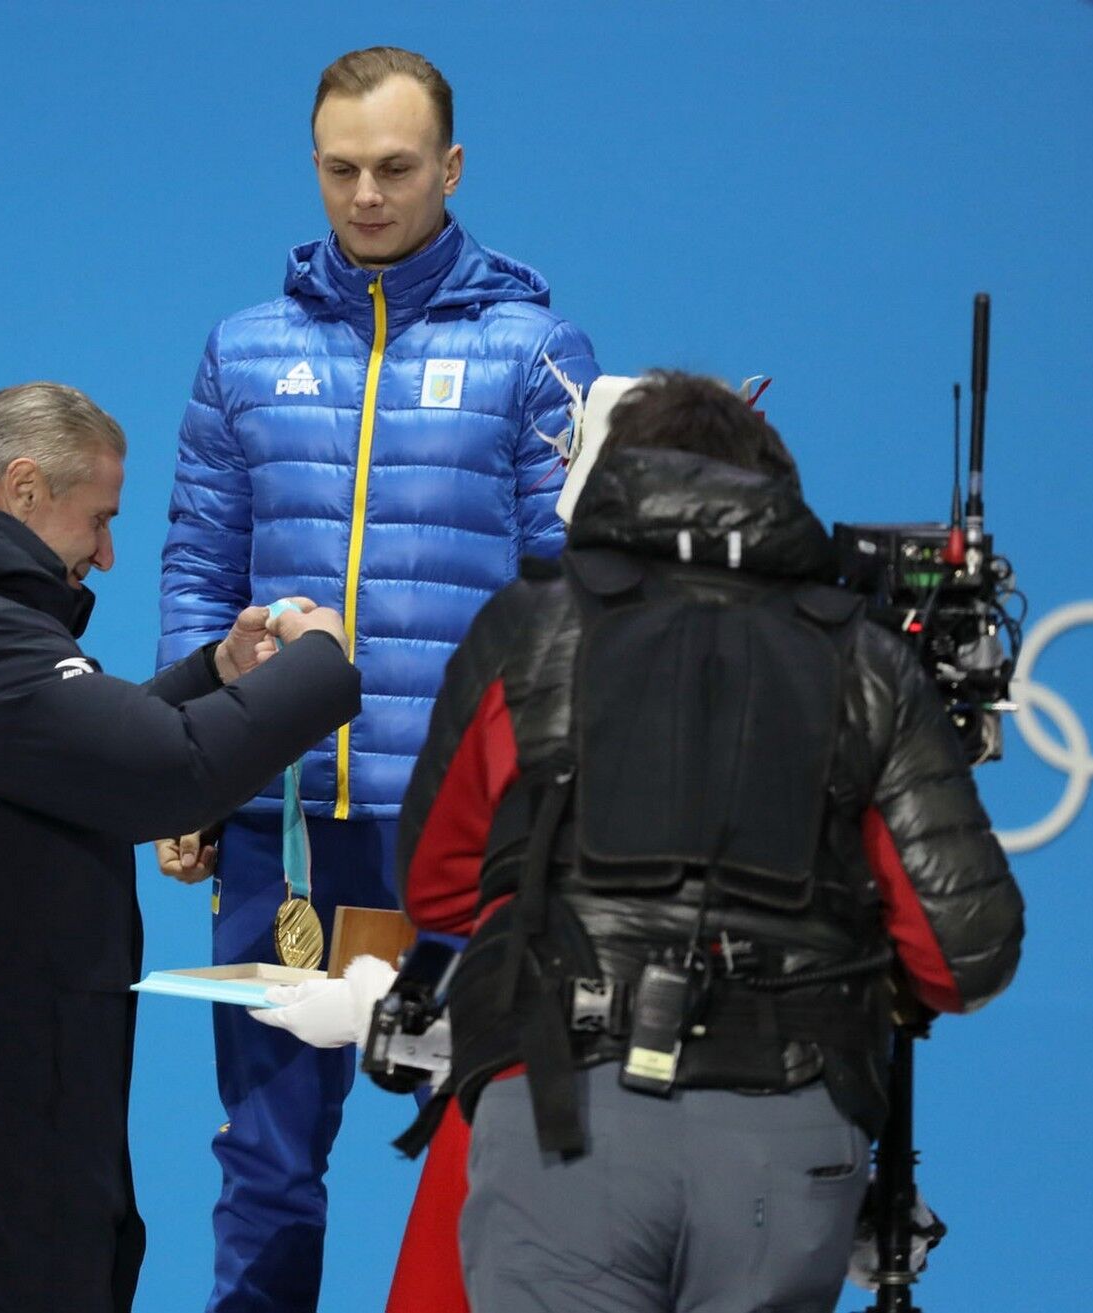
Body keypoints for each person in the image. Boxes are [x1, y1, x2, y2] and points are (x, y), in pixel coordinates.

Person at [397, 371, 1026, 1313]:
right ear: (777, 492)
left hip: (563, 1107)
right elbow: (965, 954)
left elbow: (437, 886)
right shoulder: (869, 659)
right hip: (788, 1134)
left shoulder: (526, 631)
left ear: (610, 477)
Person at [156, 46, 600, 1313]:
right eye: (341, 169)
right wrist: (184, 759)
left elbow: (565, 590)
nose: (365, 195)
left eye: (395, 168)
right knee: (263, 1163)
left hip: (461, 835)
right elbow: (197, 565)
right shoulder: (241, 352)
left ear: (450, 168)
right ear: (314, 167)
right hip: (279, 827)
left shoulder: (534, 350)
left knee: (483, 1153)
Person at [0, 382, 359, 1313]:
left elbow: (81, 748)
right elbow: (163, 774)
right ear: (23, 489)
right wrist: (321, 663)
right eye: (99, 518)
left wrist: (217, 672)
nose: (107, 552)